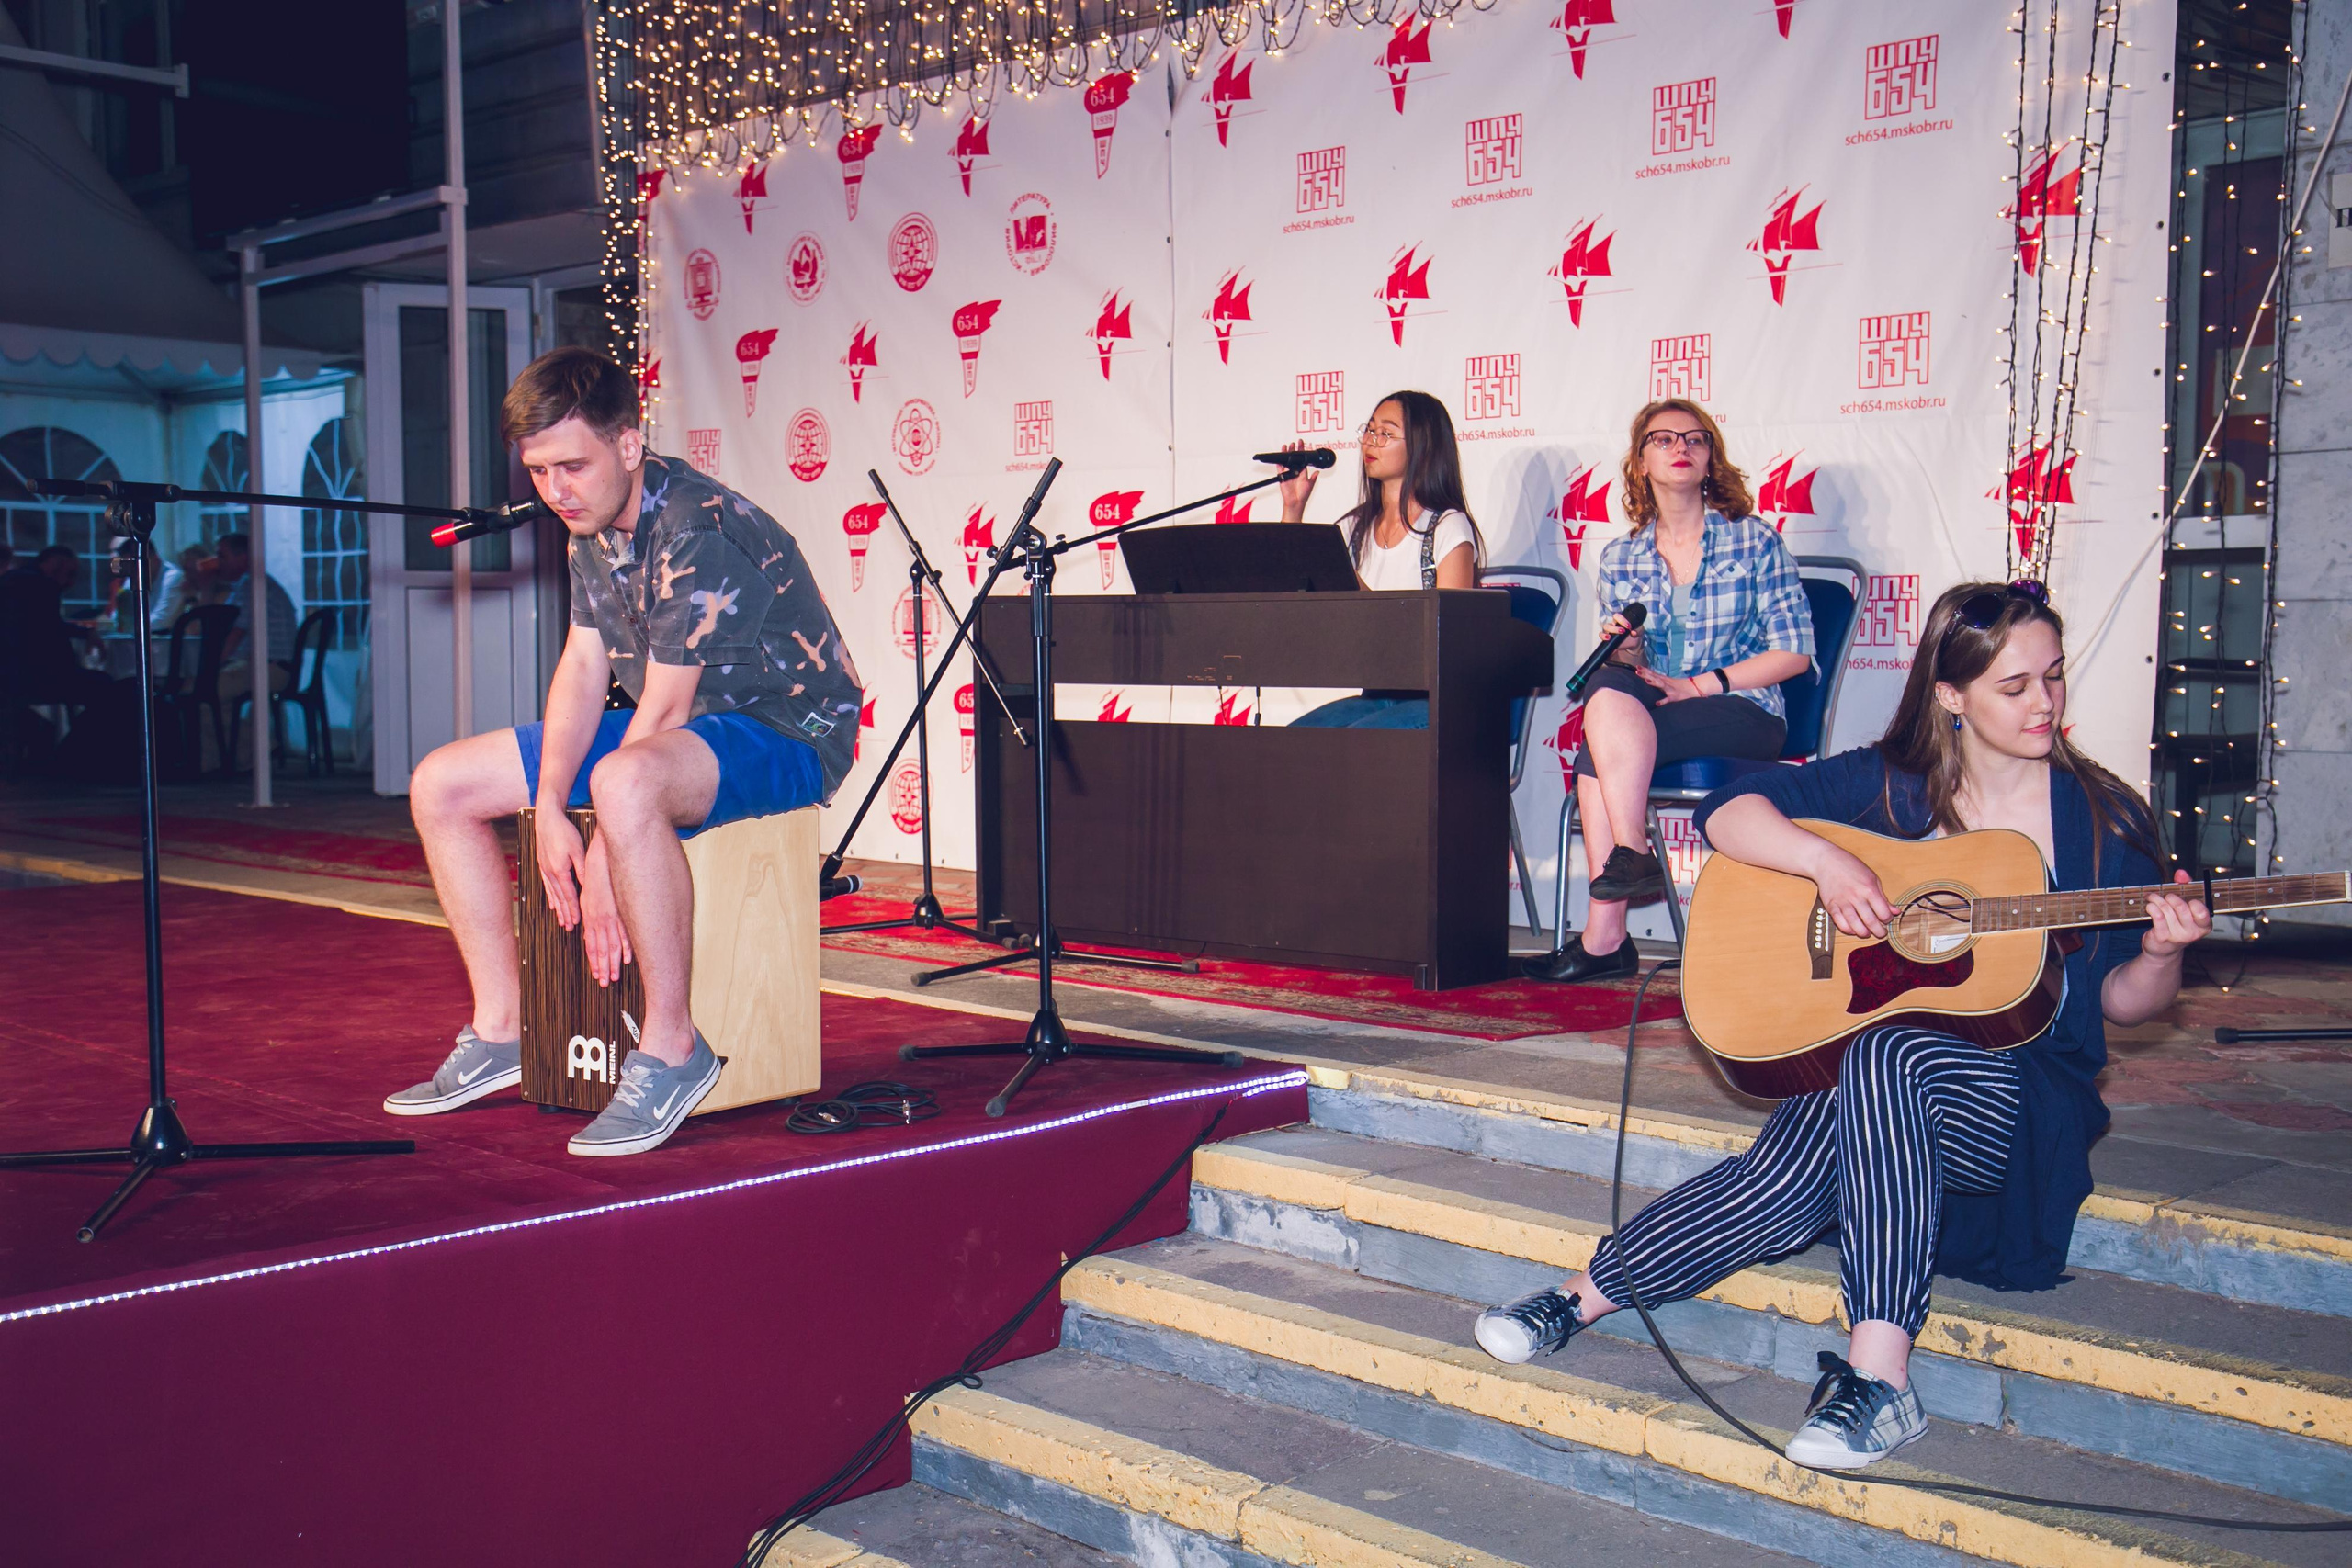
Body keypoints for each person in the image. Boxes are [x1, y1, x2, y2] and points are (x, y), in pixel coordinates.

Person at [1474, 580, 2211, 1468]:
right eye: (2014, 687)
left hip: (2017, 1103)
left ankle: (1882, 1378)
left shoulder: (2102, 818)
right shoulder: (1891, 787)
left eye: (2053, 677)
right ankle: (1580, 1294)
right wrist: (1826, 862)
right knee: (1795, 1166)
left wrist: (2165, 952)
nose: (2045, 703)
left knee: (1885, 1050)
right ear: (1951, 694)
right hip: (1885, 1089)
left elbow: (2125, 1000)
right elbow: (1729, 810)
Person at [383, 346, 865, 1156]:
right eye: (538, 472)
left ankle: (675, 1047)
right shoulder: (593, 526)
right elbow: (582, 665)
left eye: (571, 465)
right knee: (442, 784)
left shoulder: (696, 527)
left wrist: (605, 855)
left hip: (784, 727)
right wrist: (545, 810)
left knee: (626, 784)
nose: (555, 490)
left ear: (630, 444)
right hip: (682, 722)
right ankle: (503, 1028)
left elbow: (669, 705)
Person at [1524, 399, 1815, 983]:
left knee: (1593, 758)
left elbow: (1794, 653)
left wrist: (1697, 685)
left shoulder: (1754, 541)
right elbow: (1633, 668)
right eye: (1663, 439)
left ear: (1711, 459)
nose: (1681, 448)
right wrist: (1625, 648)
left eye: (1695, 438)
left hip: (1744, 709)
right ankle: (1633, 859)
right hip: (1654, 708)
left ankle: (1606, 936)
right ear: (1640, 463)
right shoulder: (1620, 556)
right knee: (1606, 682)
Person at [1278, 389, 1485, 729]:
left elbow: (1452, 640)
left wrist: (1352, 585)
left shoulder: (1447, 526)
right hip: (1375, 693)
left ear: (1423, 446)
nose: (1371, 441)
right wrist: (1293, 508)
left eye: (1386, 433)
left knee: (1354, 746)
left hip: (1438, 700)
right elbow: (1292, 583)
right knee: (1292, 743)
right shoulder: (1353, 527)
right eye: (1370, 430)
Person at [0, 544, 111, 706]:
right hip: (31, 677)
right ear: (56, 564)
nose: (71, 582)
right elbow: (49, 630)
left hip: (13, 675)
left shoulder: (14, 581)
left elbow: (43, 623)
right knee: (105, 686)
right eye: (70, 573)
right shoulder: (38, 584)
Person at [212, 532, 297, 701]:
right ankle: (235, 728)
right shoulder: (246, 585)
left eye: (222, 556)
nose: (217, 562)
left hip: (271, 668)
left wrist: (211, 664)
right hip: (266, 665)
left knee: (205, 688)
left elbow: (235, 634)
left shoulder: (252, 585)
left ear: (242, 558)